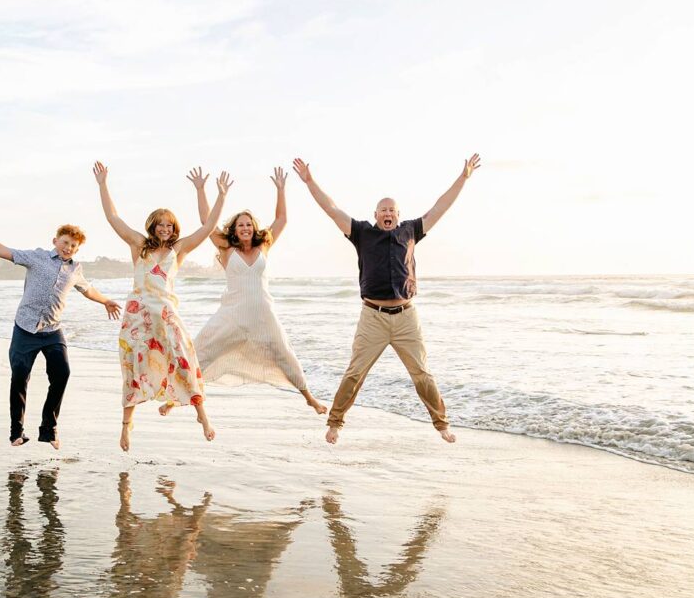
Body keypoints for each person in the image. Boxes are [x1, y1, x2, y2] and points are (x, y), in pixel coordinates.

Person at [293, 153, 482, 444]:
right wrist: (309, 181)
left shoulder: (410, 231)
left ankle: (442, 424)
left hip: (406, 316)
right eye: (383, 210)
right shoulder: (362, 233)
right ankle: (335, 423)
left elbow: (439, 208)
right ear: (376, 215)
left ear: (397, 214)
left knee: (422, 374)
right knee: (355, 373)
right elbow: (332, 209)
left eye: (392, 209)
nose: (388, 213)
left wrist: (464, 177)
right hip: (373, 317)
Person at [0, 223, 121, 448]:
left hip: (52, 331)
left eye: (73, 246)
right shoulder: (36, 258)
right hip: (25, 329)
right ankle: (16, 432)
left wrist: (105, 301)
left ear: (77, 249)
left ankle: (49, 429)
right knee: (19, 377)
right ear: (55, 240)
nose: (68, 248)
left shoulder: (75, 269)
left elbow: (87, 289)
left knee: (62, 374)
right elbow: (1, 250)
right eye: (65, 242)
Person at [93, 161, 230, 451]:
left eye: (170, 225)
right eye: (161, 224)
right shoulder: (138, 244)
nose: (165, 229)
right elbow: (113, 217)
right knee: (133, 369)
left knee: (184, 360)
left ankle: (202, 417)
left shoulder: (178, 250)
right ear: (153, 226)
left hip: (167, 316)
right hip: (138, 316)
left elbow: (207, 227)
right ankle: (126, 428)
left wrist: (216, 195)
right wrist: (103, 184)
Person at [187, 166, 327, 414]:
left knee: (284, 353)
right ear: (234, 229)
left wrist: (281, 190)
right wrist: (202, 190)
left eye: (248, 225)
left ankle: (309, 397)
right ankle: (181, 396)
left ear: (254, 228)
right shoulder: (226, 249)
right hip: (232, 315)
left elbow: (282, 219)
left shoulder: (264, 246)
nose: (245, 228)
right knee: (202, 352)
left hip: (263, 315)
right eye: (240, 225)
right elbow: (206, 221)